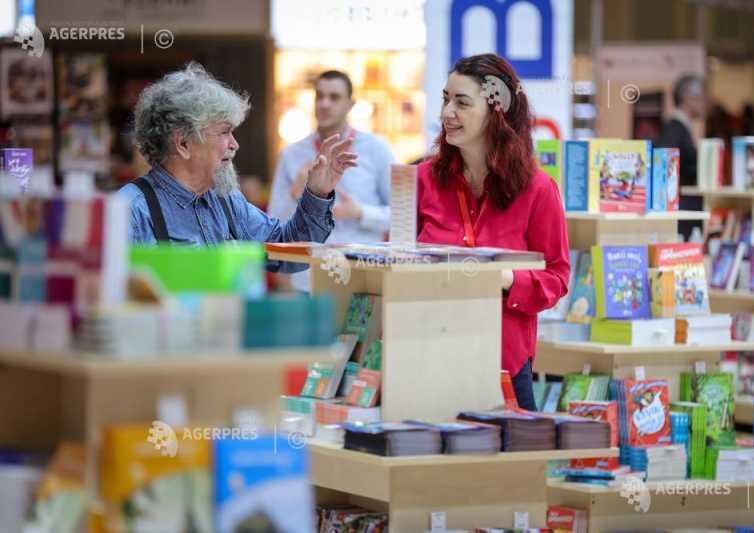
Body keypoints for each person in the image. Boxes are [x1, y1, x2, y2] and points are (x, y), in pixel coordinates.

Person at [416, 54, 570, 411]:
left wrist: (504, 278)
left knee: (512, 450)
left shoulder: (538, 190)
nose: (447, 113)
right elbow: (395, 260)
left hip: (505, 367)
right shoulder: (422, 179)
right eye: (445, 99)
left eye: (462, 102)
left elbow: (557, 278)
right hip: (427, 357)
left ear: (496, 110)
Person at [118, 63, 357, 272]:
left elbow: (289, 252)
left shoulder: (226, 200)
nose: (235, 144)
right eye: (224, 132)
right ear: (183, 144)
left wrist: (317, 193)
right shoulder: (130, 210)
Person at [268, 70, 394, 291]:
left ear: (351, 104)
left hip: (362, 279)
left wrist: (360, 213)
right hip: (308, 280)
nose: (324, 104)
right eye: (320, 96)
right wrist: (295, 195)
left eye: (334, 97)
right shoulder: (292, 155)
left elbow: (403, 218)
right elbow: (273, 226)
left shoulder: (377, 149)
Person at [656, 74, 706, 241]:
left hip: (682, 211)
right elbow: (663, 167)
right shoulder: (675, 131)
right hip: (679, 215)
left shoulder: (680, 129)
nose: (704, 103)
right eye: (701, 98)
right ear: (688, 99)